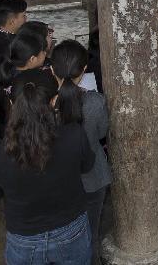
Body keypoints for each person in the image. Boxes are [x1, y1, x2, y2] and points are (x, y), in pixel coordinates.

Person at [0, 69, 95, 264]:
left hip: (24, 238)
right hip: (71, 230)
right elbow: (87, 166)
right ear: (54, 100)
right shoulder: (75, 135)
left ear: (11, 102)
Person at [50, 40, 111, 260]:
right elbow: (103, 132)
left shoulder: (42, 103)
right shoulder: (94, 101)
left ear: (51, 69)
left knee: (61, 233)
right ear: (84, 70)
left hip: (55, 180)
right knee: (91, 233)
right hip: (93, 177)